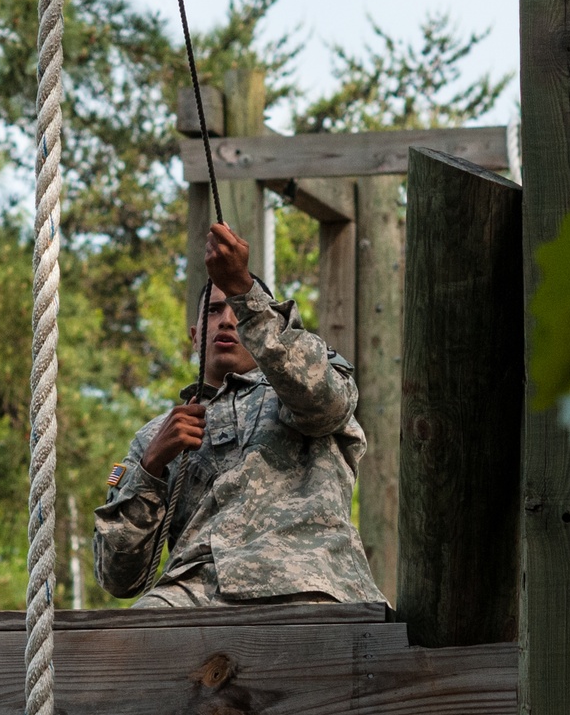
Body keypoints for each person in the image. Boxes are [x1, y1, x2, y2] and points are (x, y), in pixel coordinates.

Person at [93, 221, 385, 608]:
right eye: (215, 310)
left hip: (307, 579)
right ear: (195, 336)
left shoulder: (301, 380)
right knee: (131, 637)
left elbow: (323, 405)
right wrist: (150, 469)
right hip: (194, 595)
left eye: (237, 310)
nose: (228, 319)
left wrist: (242, 290)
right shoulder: (155, 437)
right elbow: (118, 578)